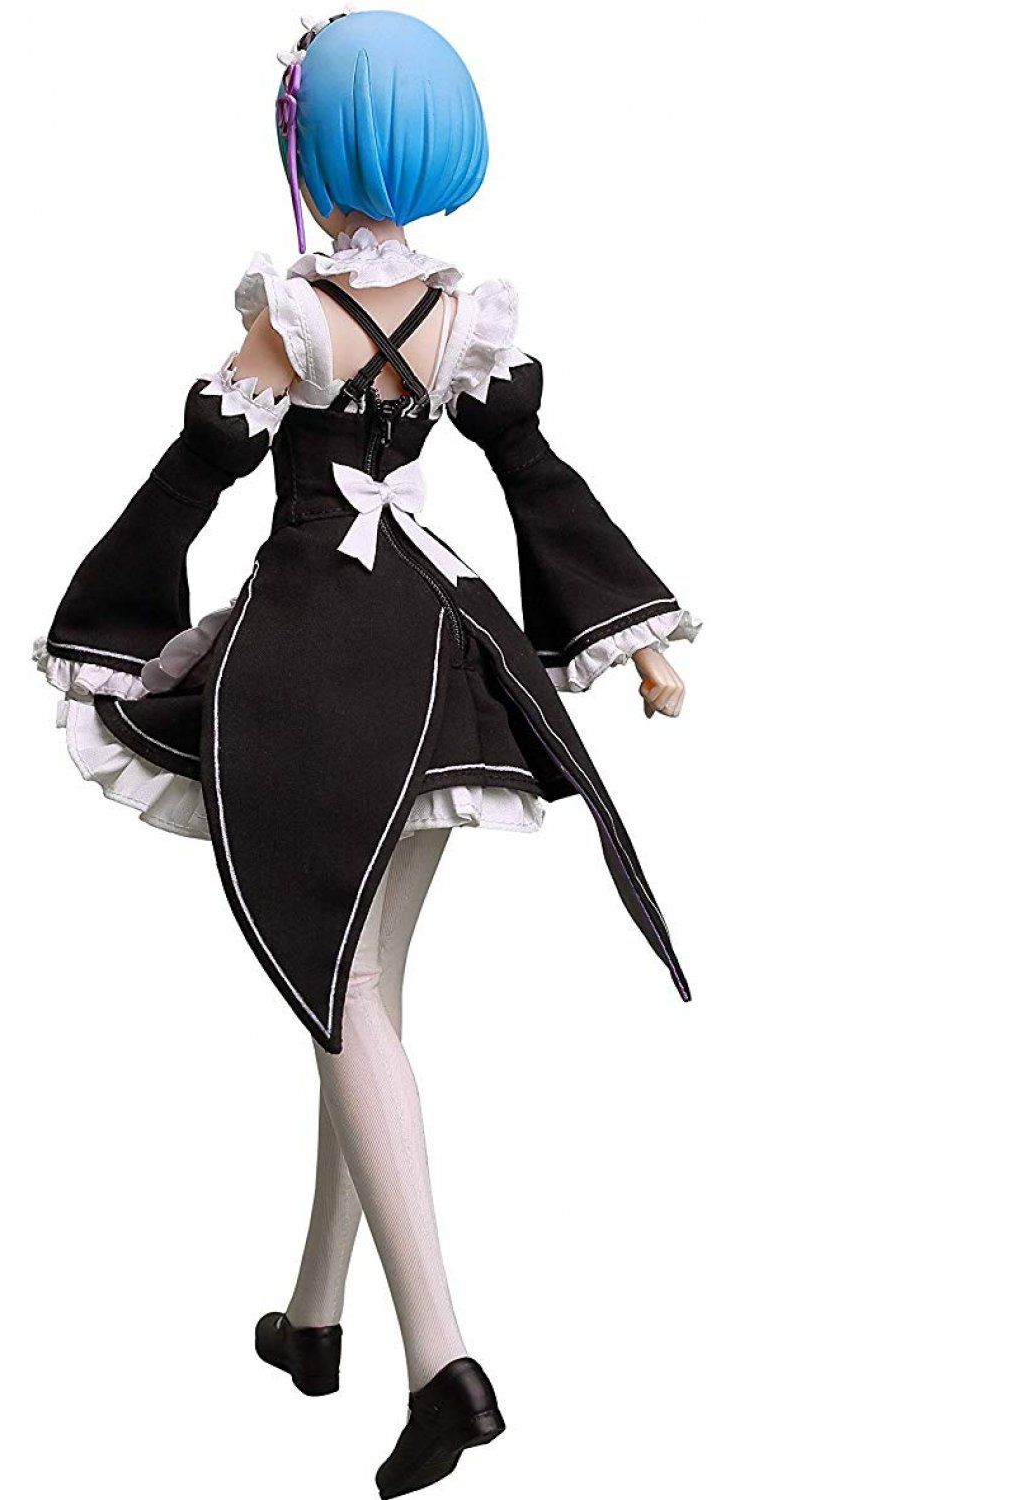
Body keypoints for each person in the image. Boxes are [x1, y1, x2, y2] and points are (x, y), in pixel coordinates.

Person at [35, 12, 699, 1494]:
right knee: (356, 985)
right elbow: (541, 478)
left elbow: (198, 467)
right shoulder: (460, 317)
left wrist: (106, 621)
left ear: (319, 146)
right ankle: (314, 1316)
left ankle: (443, 1361)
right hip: (441, 651)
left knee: (347, 997)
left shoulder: (297, 312)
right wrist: (642, 642)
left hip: (315, 669)